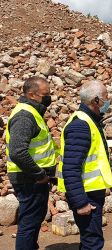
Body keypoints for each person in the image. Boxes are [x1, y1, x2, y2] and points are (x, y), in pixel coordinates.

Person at [57, 80, 112, 250]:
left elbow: (91, 158)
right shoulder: (80, 125)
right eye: (106, 98)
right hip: (86, 196)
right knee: (92, 243)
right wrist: (80, 202)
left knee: (90, 240)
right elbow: (71, 168)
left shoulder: (89, 120)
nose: (108, 101)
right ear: (95, 100)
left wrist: (110, 168)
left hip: (91, 192)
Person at [6, 76, 57, 250]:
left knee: (34, 219)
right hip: (30, 179)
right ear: (31, 94)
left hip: (33, 179)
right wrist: (40, 175)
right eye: (45, 94)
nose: (49, 97)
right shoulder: (25, 116)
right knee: (29, 222)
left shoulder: (33, 112)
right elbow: (17, 151)